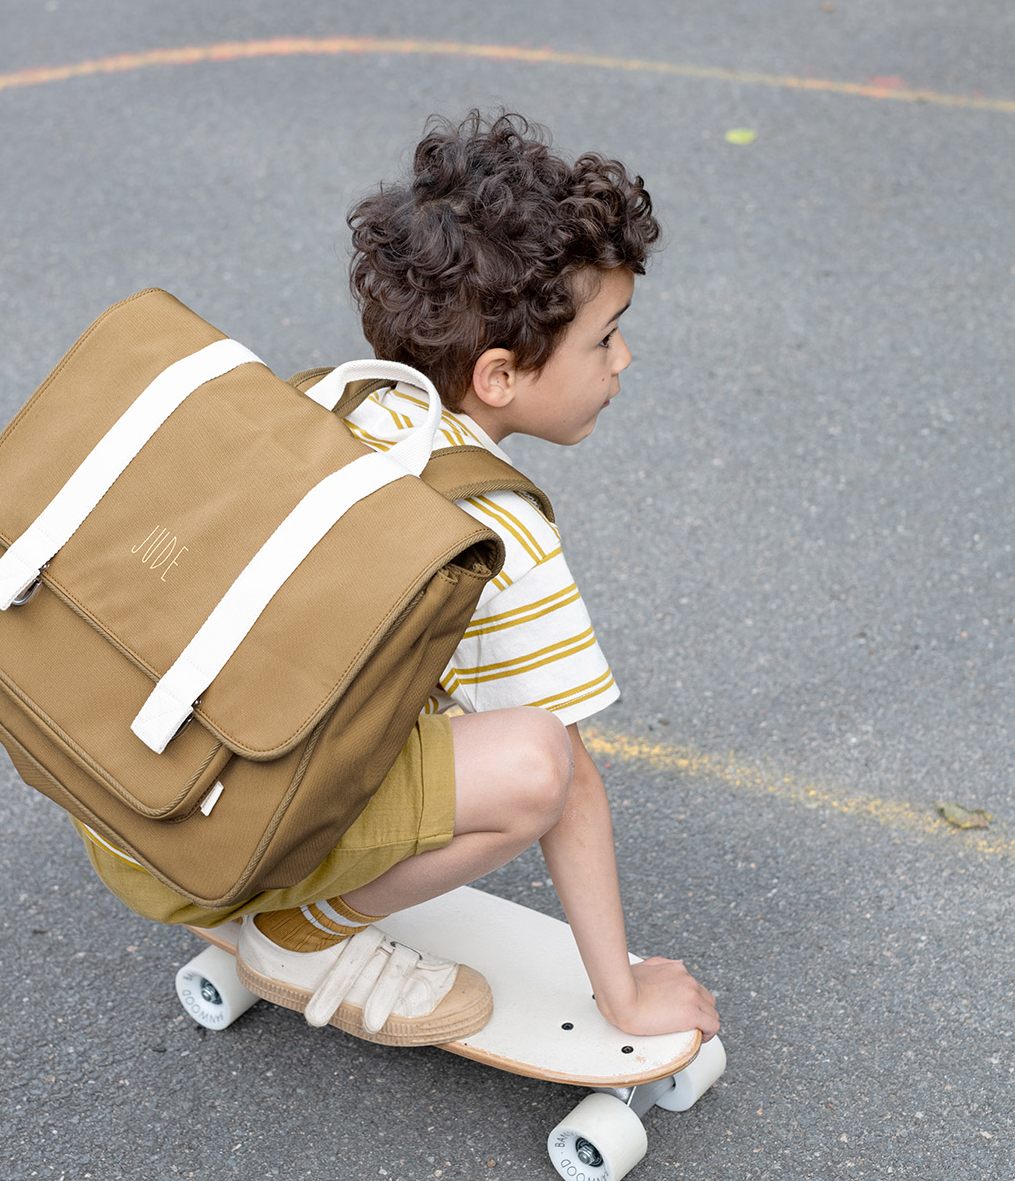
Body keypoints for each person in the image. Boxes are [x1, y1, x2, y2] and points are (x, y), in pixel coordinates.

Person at [75, 111, 719, 1052]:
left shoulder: (330, 396)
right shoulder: (498, 526)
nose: (624, 359)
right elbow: (567, 784)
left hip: (127, 807)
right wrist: (622, 995)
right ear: (499, 376)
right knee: (536, 764)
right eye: (605, 337)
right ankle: (302, 938)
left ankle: (278, 867)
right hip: (210, 854)